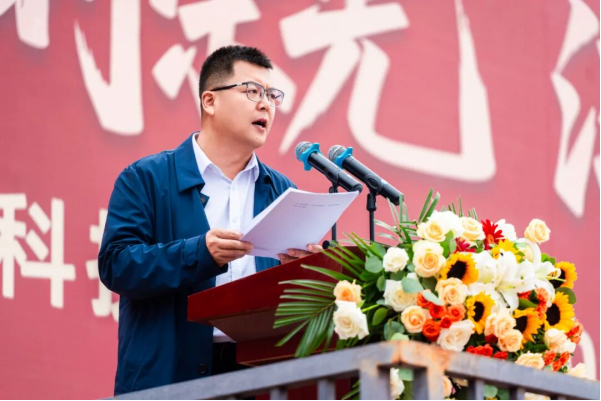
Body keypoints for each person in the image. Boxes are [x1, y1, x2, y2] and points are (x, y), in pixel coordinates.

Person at [99, 46, 322, 396]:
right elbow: (116, 265)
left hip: (259, 377)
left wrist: (308, 270)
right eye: (253, 91)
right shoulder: (146, 178)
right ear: (210, 101)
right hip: (168, 378)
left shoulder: (282, 192)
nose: (266, 105)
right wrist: (200, 253)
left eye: (272, 96)